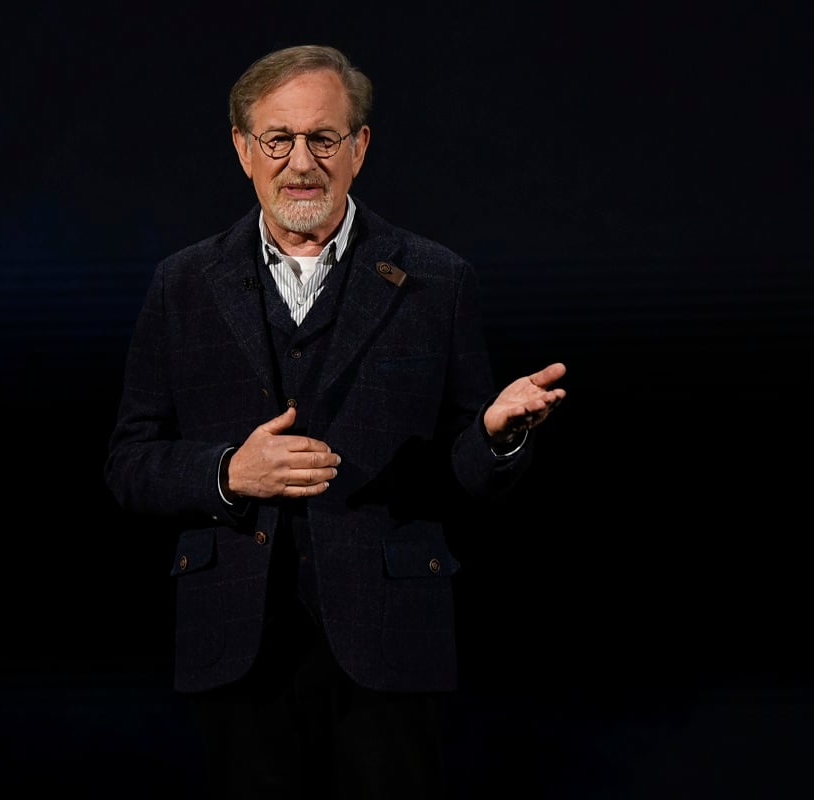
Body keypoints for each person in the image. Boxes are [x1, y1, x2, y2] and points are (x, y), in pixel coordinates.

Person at [104, 43, 567, 799]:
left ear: (360, 147)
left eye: (323, 138)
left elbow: (462, 470)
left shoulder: (436, 280)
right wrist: (227, 473)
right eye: (278, 139)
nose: (300, 162)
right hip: (237, 644)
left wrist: (495, 437)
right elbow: (129, 463)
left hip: (390, 640)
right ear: (242, 149)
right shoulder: (182, 285)